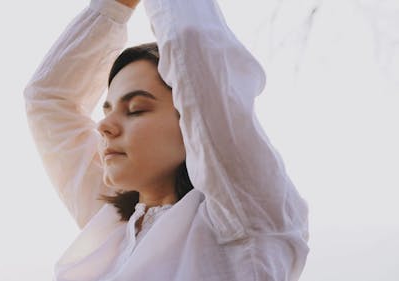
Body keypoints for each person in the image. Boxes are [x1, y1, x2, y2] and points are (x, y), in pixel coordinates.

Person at [23, 0, 310, 280]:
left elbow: (193, 54)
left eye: (135, 110)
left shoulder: (243, 220)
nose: (105, 126)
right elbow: (48, 100)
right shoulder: (112, 227)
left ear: (192, 121)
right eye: (107, 110)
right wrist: (114, 7)